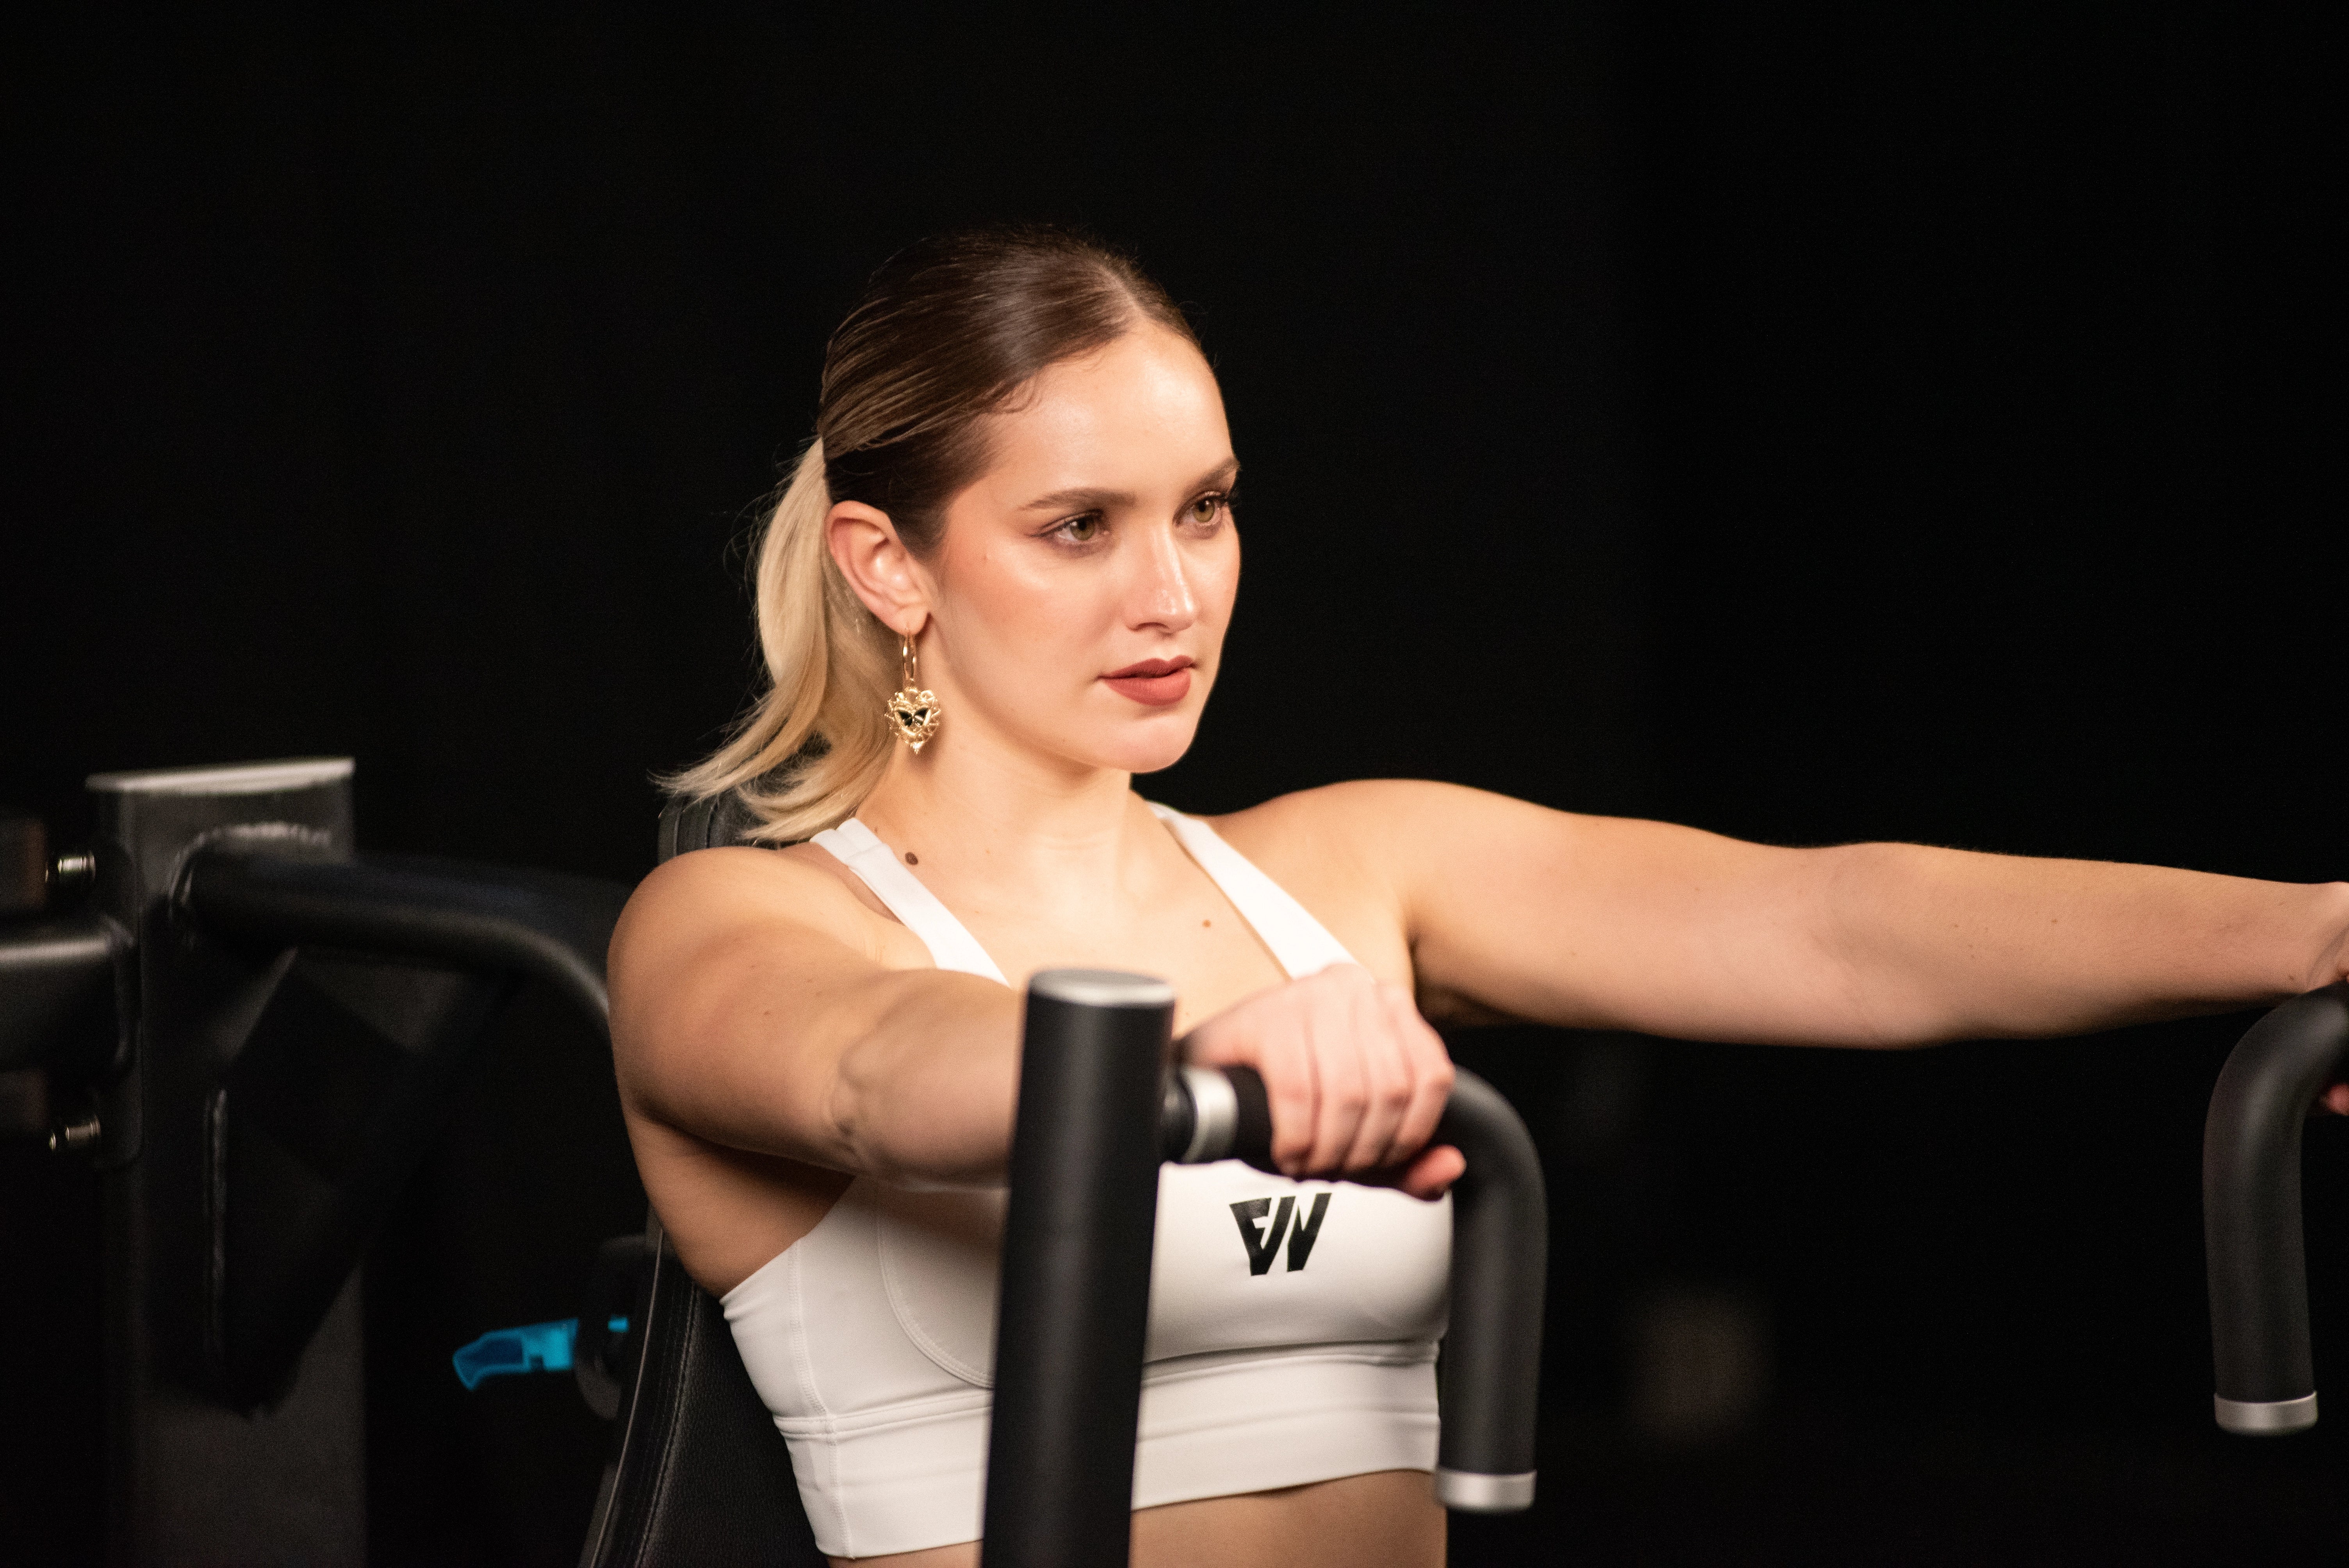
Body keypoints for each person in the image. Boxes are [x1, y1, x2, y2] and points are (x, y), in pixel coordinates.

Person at [607, 226, 2349, 1568]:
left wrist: (2318, 928)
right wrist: (1182, 1070)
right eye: (1080, 526)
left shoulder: (1352, 867)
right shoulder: (737, 924)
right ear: (888, 563)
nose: (1172, 593)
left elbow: (1836, 923)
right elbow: (881, 1069)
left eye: (1205, 510)